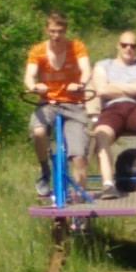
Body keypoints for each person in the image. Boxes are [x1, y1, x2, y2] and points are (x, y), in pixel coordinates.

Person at [24, 11, 92, 197]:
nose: (56, 36)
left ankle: (79, 197)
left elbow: (86, 69)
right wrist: (34, 86)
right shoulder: (38, 50)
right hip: (48, 102)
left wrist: (80, 85)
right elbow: (29, 75)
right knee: (38, 131)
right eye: (53, 31)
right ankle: (44, 170)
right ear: (47, 30)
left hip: (73, 103)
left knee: (78, 156)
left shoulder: (76, 47)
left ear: (65, 31)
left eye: (60, 31)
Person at [92, 30, 136, 198]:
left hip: (135, 108)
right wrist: (131, 87)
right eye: (125, 45)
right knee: (101, 134)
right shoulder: (103, 65)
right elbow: (101, 89)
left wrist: (113, 86)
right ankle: (108, 184)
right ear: (118, 45)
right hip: (112, 110)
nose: (128, 48)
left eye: (133, 46)